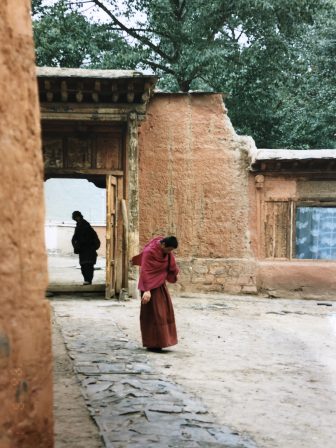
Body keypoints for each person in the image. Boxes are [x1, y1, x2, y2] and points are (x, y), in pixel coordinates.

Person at [131, 236, 179, 352]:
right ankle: (152, 343)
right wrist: (147, 291)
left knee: (163, 312)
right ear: (163, 245)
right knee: (152, 314)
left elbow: (171, 264)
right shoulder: (149, 252)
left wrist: (174, 272)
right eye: (169, 250)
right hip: (148, 287)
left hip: (160, 285)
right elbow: (146, 271)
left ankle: (163, 341)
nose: (169, 252)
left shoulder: (166, 252)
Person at [71, 211, 100, 285]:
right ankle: (87, 280)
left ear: (79, 216)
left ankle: (88, 280)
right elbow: (75, 238)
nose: (76, 219)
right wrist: (76, 247)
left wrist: (93, 247)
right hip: (84, 250)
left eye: (76, 217)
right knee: (84, 266)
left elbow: (94, 238)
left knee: (88, 266)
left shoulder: (85, 225)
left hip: (89, 250)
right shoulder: (79, 225)